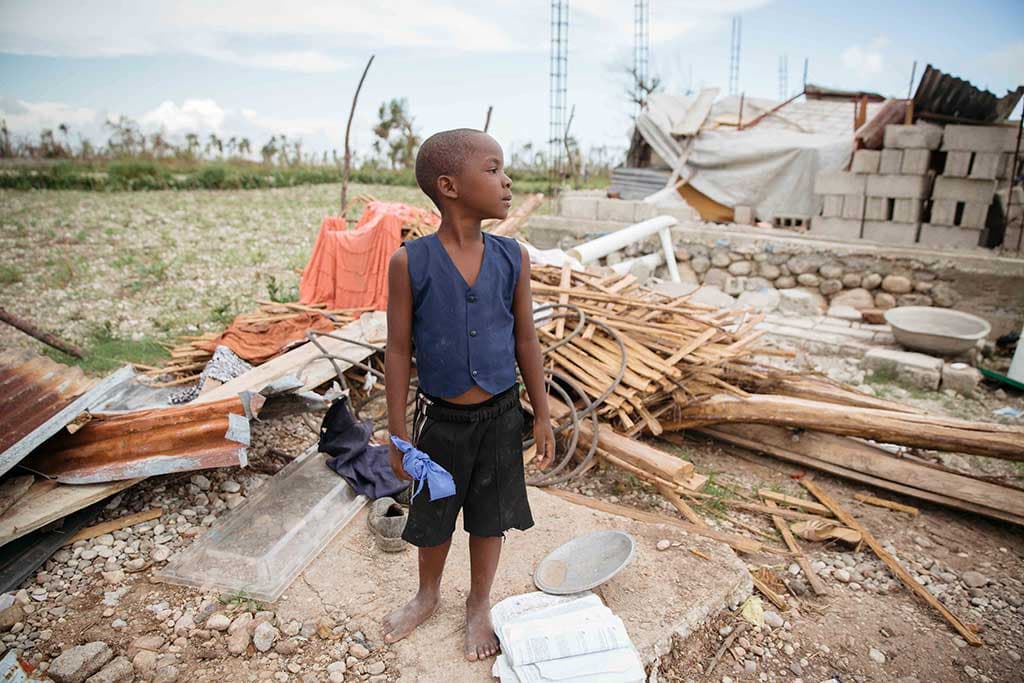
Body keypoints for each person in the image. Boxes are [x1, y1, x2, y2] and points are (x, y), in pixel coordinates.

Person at [382, 128, 555, 661]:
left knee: (490, 515)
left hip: (502, 417)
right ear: (449, 185)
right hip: (443, 422)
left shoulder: (512, 256)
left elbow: (526, 338)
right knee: (434, 517)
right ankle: (427, 594)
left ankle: (478, 603)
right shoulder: (411, 261)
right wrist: (397, 436)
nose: (507, 182)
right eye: (494, 168)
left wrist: (542, 415)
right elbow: (396, 351)